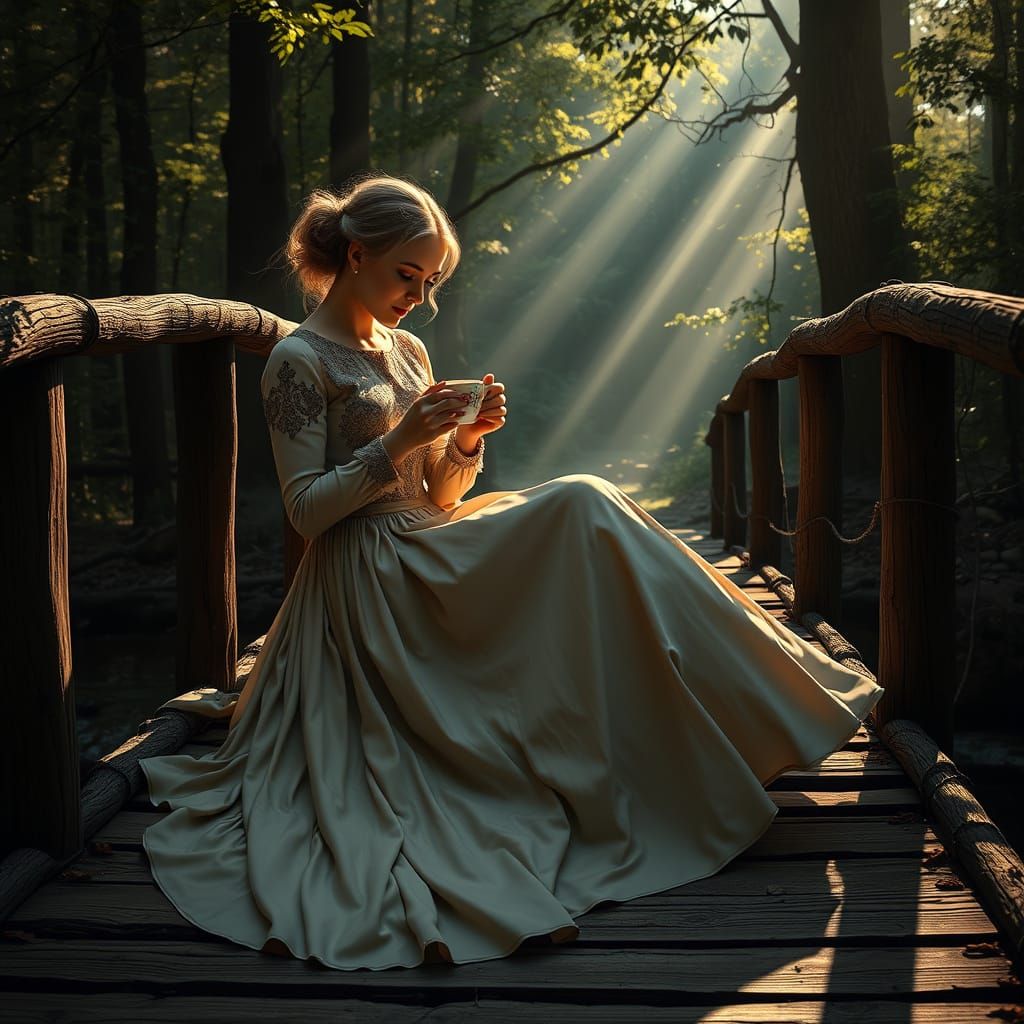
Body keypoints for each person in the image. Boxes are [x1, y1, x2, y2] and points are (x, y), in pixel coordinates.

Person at [140, 173, 884, 972]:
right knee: (583, 503)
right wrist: (395, 442)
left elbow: (441, 492)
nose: (417, 299)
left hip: (430, 540)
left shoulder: (408, 349)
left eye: (430, 284)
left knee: (590, 508)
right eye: (406, 276)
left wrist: (463, 443)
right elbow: (307, 512)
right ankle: (756, 706)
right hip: (369, 575)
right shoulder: (295, 360)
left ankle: (759, 704)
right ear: (356, 255)